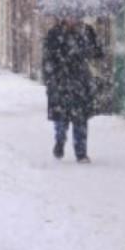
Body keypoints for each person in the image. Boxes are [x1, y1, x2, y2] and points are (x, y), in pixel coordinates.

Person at [42, 18, 102, 163]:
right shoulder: (54, 34)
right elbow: (47, 59)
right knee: (61, 118)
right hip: (60, 82)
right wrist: (50, 78)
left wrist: (90, 49)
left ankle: (81, 152)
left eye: (76, 15)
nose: (73, 19)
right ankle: (60, 141)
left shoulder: (87, 32)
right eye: (69, 16)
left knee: (80, 118)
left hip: (80, 81)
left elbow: (98, 53)